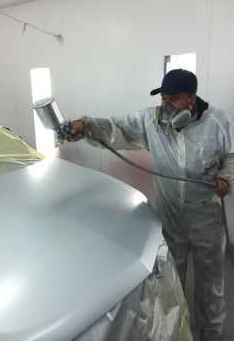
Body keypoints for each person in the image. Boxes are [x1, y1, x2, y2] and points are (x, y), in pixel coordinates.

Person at [65, 69, 234, 341]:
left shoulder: (218, 122)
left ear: (192, 98)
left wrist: (227, 179)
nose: (166, 107)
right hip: (170, 218)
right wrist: (85, 126)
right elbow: (116, 127)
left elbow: (232, 156)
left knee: (210, 284)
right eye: (163, 99)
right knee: (170, 284)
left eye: (174, 100)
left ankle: (211, 334)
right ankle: (177, 332)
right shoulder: (152, 122)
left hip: (207, 220)